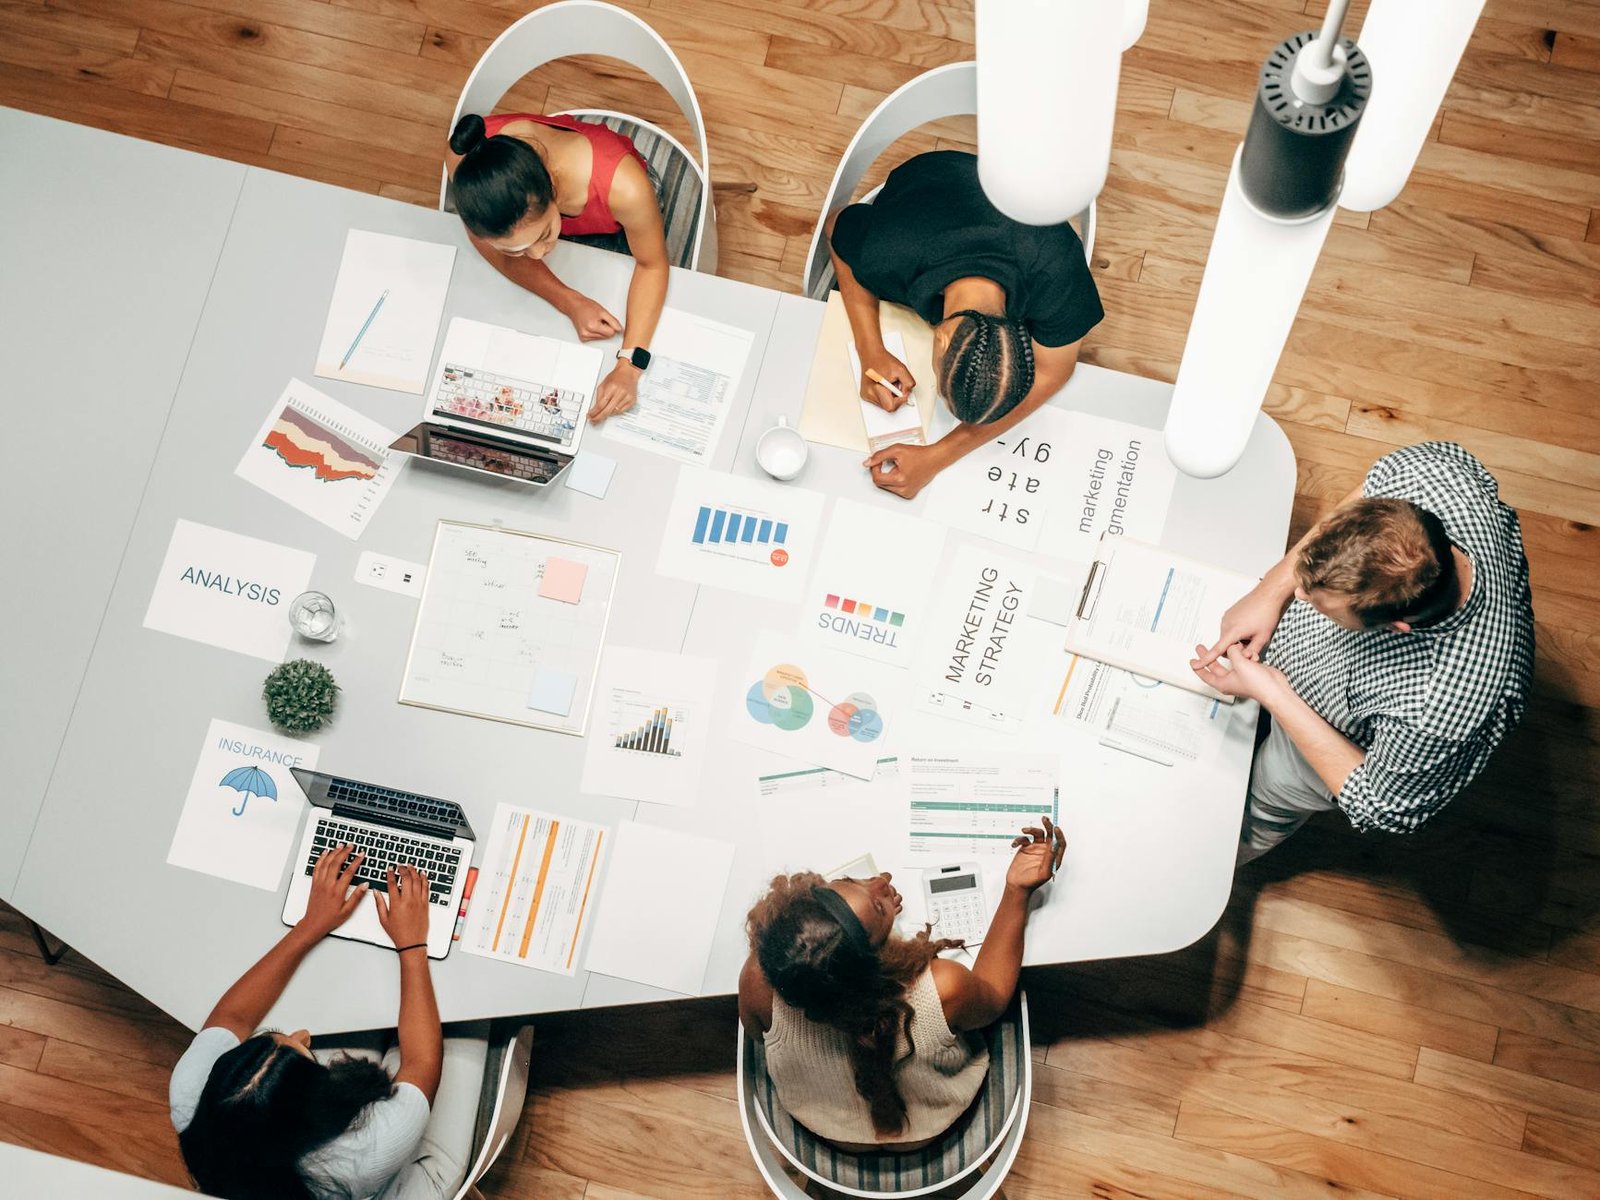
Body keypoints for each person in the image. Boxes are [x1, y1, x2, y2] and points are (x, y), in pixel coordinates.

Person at [1189, 442, 1535, 862]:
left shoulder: (1443, 706)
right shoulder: (1432, 474)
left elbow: (1381, 804)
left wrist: (1274, 694)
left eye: (1319, 604)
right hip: (1302, 669)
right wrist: (1271, 589)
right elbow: (1363, 495)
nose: (1298, 594)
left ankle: (1213, 860)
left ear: (1396, 628)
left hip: (1326, 744)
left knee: (1262, 807)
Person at [169, 848, 488, 1199]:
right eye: (304, 1051)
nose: (303, 1035)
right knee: (464, 1015)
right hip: (382, 1184)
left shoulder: (190, 1095)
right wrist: (412, 944)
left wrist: (310, 926)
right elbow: (421, 1064)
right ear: (314, 1113)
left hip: (274, 1166)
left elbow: (231, 1018)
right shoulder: (363, 1154)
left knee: (347, 996)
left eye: (277, 1037)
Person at [738, 819, 1066, 1151]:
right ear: (881, 962)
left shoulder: (757, 980)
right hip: (929, 1126)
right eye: (880, 909)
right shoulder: (942, 988)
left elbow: (757, 1036)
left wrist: (868, 919)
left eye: (850, 880)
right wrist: (1017, 891)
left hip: (827, 1125)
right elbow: (994, 1000)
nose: (882, 879)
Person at [828, 150, 1105, 500]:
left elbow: (1054, 370)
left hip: (1008, 201)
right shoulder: (889, 254)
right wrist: (870, 350)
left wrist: (937, 455)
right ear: (941, 340)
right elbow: (837, 223)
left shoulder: (1058, 272)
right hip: (928, 185)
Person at [445, 111, 670, 424]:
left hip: (617, 203)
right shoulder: (467, 161)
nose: (537, 256)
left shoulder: (627, 189)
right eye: (517, 250)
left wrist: (629, 365)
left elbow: (652, 265)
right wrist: (569, 301)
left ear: (551, 185)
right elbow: (480, 238)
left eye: (544, 235)